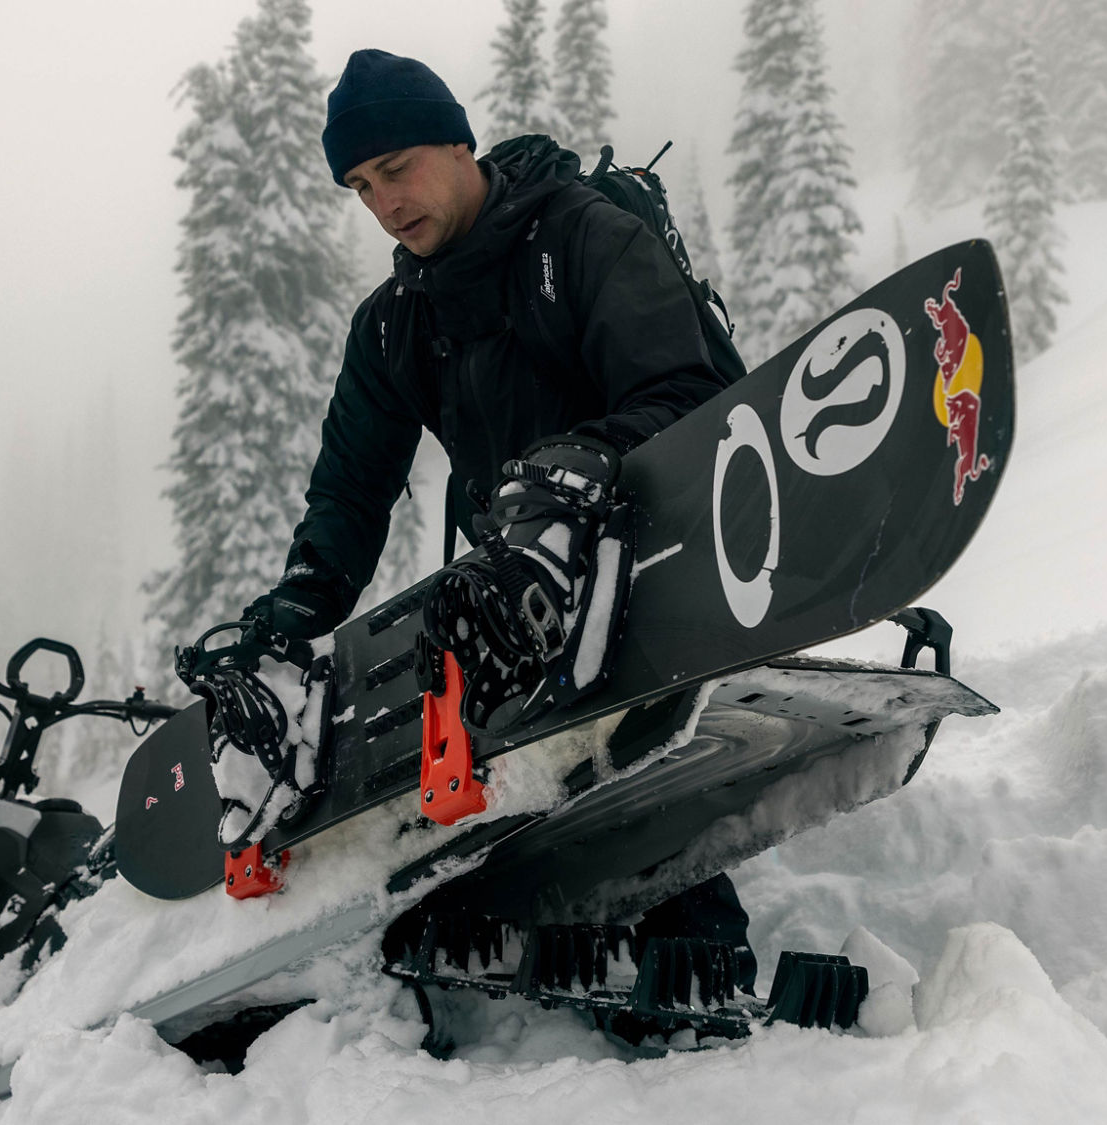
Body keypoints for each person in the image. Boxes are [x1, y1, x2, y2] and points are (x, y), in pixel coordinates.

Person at [211, 48, 758, 992]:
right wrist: (298, 605)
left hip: (648, 555)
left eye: (397, 167)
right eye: (360, 185)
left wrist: (578, 468)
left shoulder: (581, 238)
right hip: (516, 595)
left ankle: (698, 947)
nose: (383, 201)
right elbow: (349, 491)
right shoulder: (393, 326)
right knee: (506, 819)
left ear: (459, 143)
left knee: (642, 825)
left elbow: (695, 390)